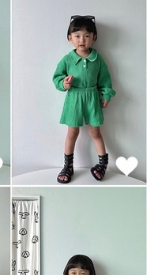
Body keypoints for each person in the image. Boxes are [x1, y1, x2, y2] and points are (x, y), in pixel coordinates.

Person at [53, 16, 115, 183]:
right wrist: (64, 83)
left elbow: (105, 79)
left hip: (92, 99)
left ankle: (102, 164)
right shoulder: (67, 59)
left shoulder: (98, 59)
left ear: (94, 37)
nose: (82, 40)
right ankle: (68, 166)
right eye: (77, 35)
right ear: (70, 38)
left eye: (87, 35)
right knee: (72, 133)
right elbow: (57, 77)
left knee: (95, 132)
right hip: (74, 99)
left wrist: (106, 94)